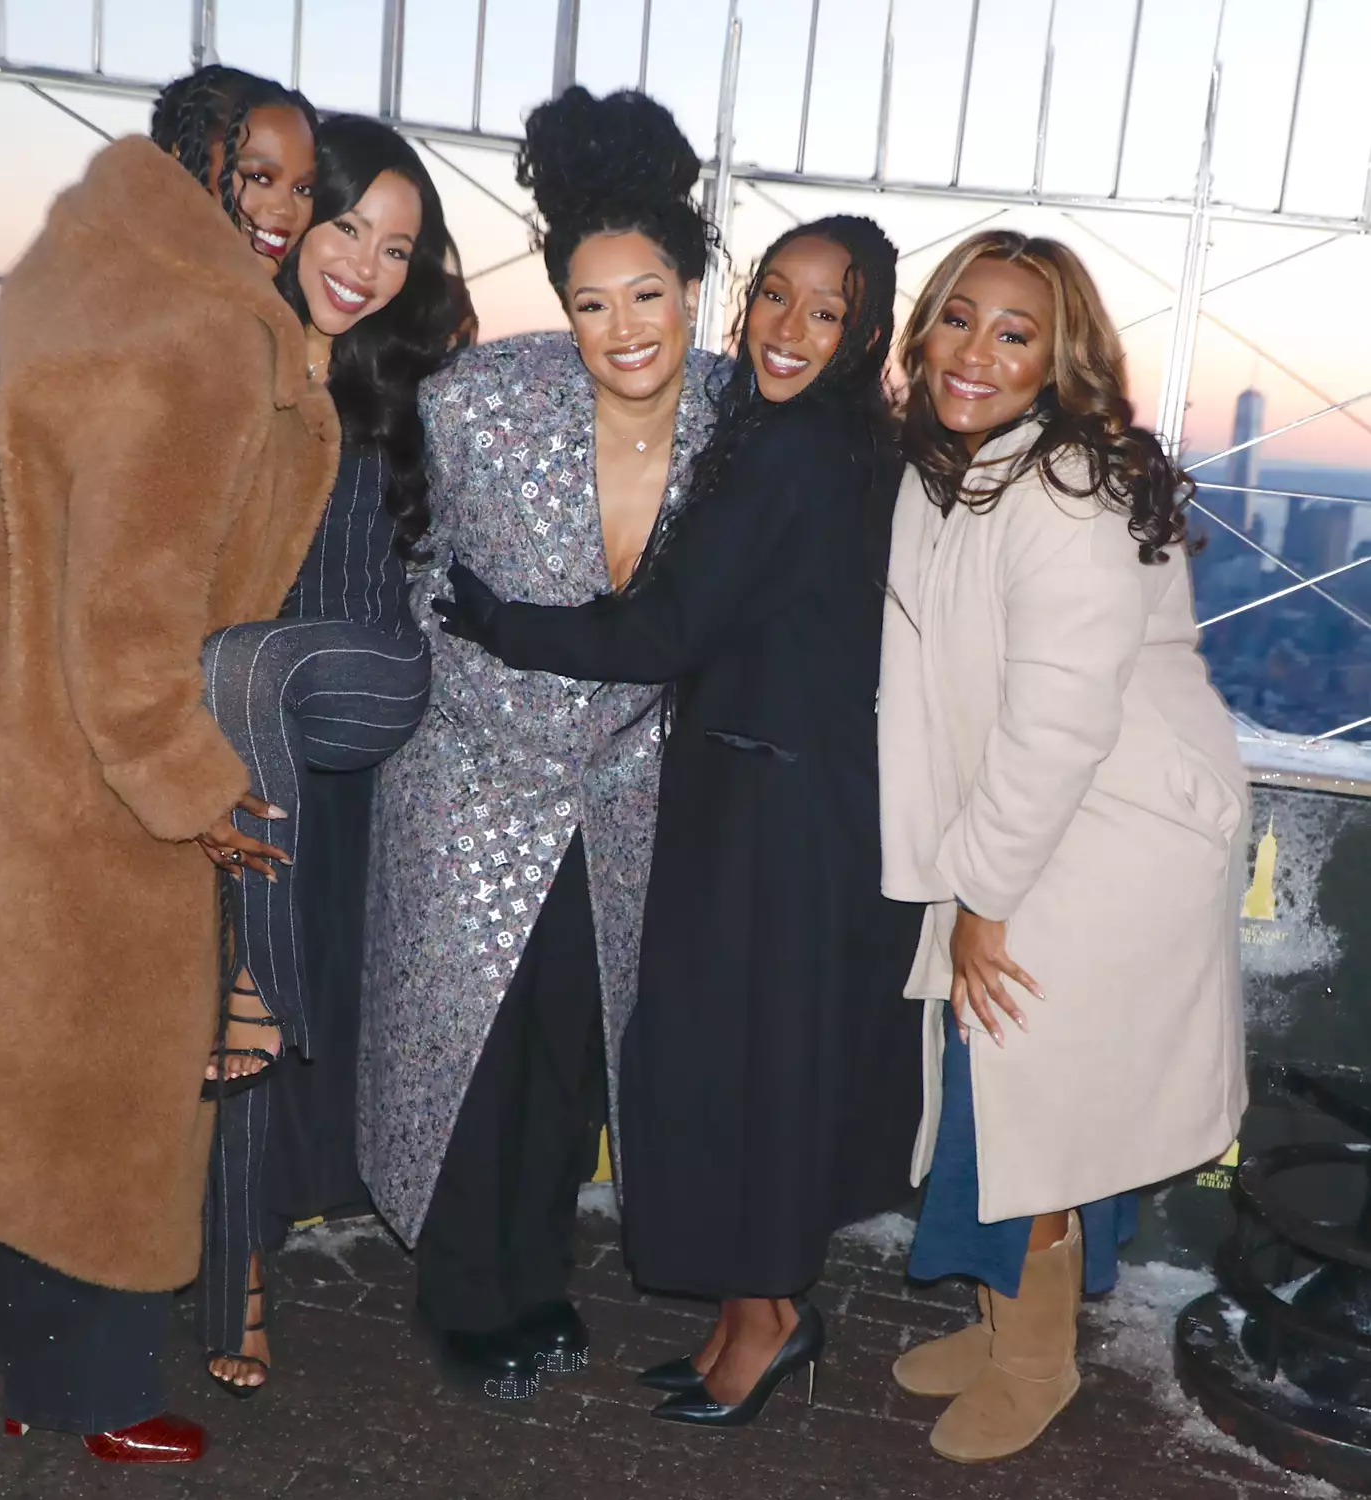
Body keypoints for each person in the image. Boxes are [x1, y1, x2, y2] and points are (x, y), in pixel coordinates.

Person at [0, 66, 335, 1464]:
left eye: (302, 184)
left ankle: (20, 1358)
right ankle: (88, 1395)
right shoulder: (198, 334)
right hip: (89, 769)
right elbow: (135, 608)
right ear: (196, 158)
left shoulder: (90, 270)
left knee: (15, 1067)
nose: (284, 208)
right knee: (97, 1095)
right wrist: (195, 787)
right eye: (257, 173)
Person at [434, 215, 925, 1429]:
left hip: (775, 816)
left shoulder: (797, 450)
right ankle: (743, 1320)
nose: (791, 329)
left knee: (747, 1068)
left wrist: (498, 621)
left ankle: (765, 1326)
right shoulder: (829, 439)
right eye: (775, 297)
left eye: (826, 309)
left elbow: (660, 631)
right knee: (739, 1063)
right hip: (781, 794)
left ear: (866, 329)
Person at [356, 86, 720, 1403]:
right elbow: (412, 574)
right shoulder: (478, 401)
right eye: (588, 302)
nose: (619, 329)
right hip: (470, 778)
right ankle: (467, 1297)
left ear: (692, 287)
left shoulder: (744, 427)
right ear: (558, 303)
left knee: (575, 1050)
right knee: (478, 1042)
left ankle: (539, 1277)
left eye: (646, 297)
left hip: (635, 791)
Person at [878, 230, 1248, 1464]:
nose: (975, 352)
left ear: (1059, 359)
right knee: (1009, 1095)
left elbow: (1058, 720)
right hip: (1045, 824)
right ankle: (999, 1331)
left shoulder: (1062, 485)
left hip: (1106, 834)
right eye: (957, 319)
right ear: (923, 329)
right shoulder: (963, 467)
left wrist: (982, 895)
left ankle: (1036, 1365)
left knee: (1030, 1104)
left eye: (1014, 332)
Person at [196, 113, 465, 1397]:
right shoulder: (226, 359)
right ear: (300, 220)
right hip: (256, 744)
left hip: (366, 678)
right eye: (349, 223)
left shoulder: (409, 377)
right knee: (219, 1006)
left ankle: (268, 974)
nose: (365, 261)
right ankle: (237, 1294)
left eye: (399, 247)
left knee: (248, 661)